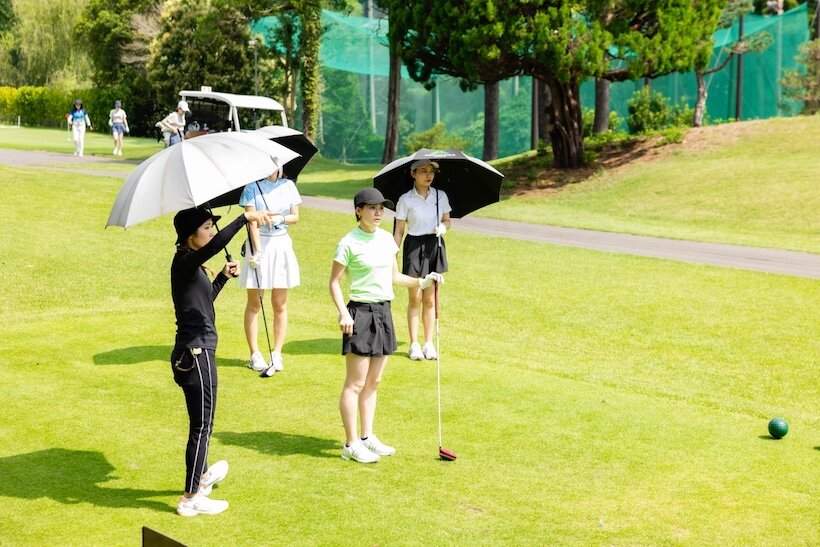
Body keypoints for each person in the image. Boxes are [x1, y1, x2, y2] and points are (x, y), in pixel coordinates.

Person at [171, 205, 276, 516]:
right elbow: (216, 246)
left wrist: (221, 278)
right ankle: (191, 497)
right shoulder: (186, 261)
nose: (211, 232)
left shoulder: (191, 265)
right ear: (190, 236)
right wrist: (244, 219)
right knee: (202, 427)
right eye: (206, 227)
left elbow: (203, 302)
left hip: (194, 351)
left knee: (201, 424)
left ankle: (202, 476)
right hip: (196, 354)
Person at [329, 188, 443, 463]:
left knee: (374, 381)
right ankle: (350, 444)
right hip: (360, 313)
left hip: (384, 312)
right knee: (355, 383)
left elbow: (395, 276)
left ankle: (367, 437)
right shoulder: (348, 242)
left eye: (381, 208)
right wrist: (344, 314)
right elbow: (334, 283)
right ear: (358, 211)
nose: (378, 213)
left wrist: (423, 281)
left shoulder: (386, 240)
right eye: (372, 208)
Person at [237, 168, 302, 377]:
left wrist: (281, 219)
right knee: (255, 303)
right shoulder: (251, 187)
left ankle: (277, 353)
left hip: (281, 244)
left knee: (280, 303)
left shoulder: (288, 185)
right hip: (259, 245)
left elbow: (295, 216)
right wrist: (257, 251)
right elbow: (252, 221)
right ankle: (255, 354)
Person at [393, 159, 452, 361]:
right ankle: (414, 344)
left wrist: (443, 227)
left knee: (430, 299)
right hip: (414, 247)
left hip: (434, 245)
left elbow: (447, 220)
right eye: (423, 171)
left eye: (431, 172)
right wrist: (392, 253)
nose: (428, 175)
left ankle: (428, 343)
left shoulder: (440, 196)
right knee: (415, 298)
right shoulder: (405, 200)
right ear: (413, 174)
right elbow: (399, 231)